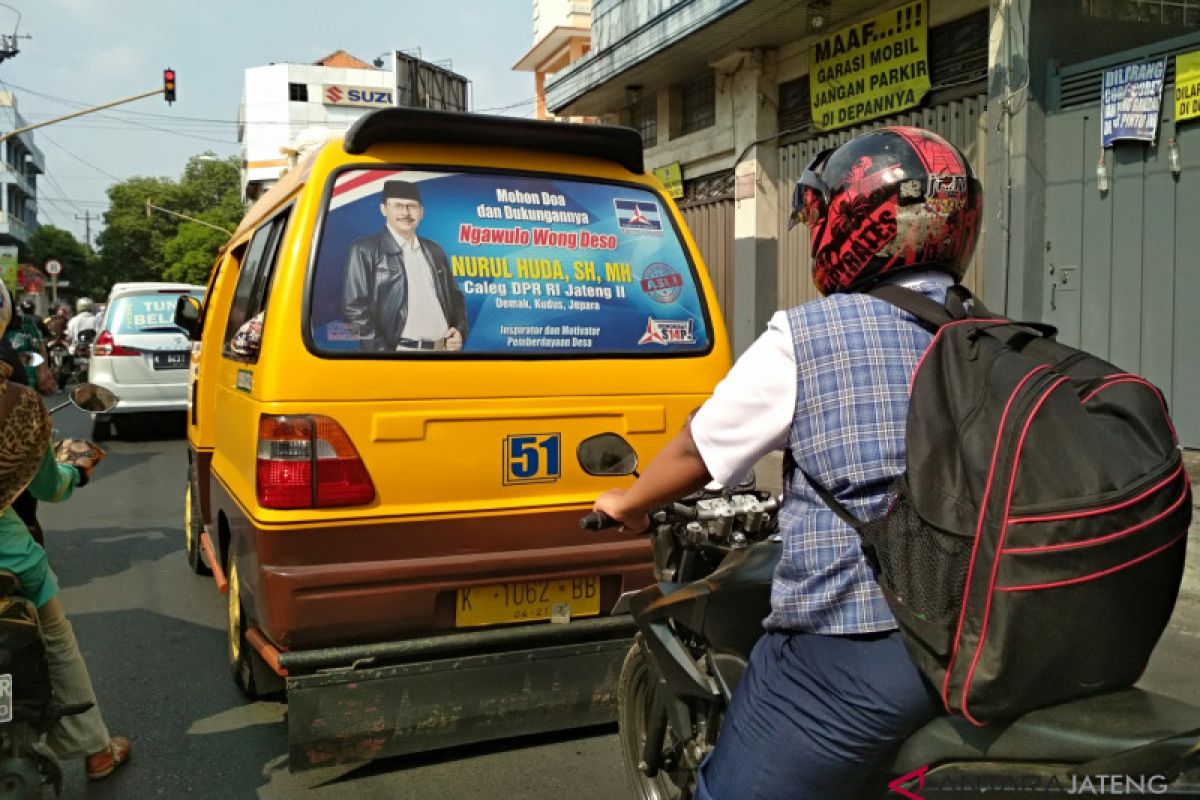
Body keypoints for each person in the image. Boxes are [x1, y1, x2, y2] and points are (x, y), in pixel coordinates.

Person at [592, 127, 981, 800]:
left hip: (861, 651)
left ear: (847, 227)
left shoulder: (807, 335)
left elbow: (698, 448)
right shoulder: (987, 331)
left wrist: (624, 502)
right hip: (986, 637)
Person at [0, 283, 132, 781]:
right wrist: (74, 467)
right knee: (56, 640)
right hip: (14, 564)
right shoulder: (20, 403)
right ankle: (95, 749)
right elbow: (52, 489)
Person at [341, 179, 469, 351]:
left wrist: (460, 331)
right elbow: (353, 311)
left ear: (421, 212)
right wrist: (383, 355)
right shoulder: (364, 250)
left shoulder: (434, 250)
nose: (406, 212)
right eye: (398, 206)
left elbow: (456, 298)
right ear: (383, 209)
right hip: (399, 355)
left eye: (412, 206)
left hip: (443, 353)